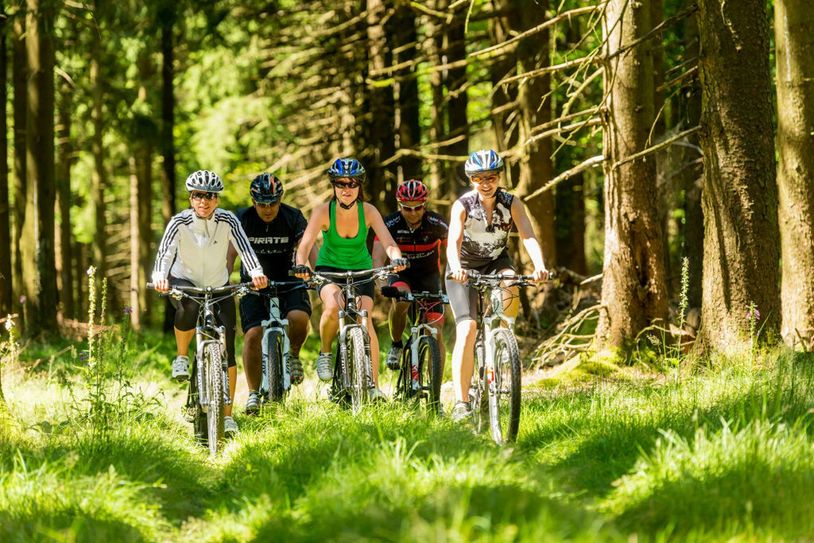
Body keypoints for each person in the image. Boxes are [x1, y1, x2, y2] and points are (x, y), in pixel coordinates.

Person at [152, 170, 268, 436]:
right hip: (185, 282)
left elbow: (245, 249)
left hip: (219, 285)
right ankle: (181, 357)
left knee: (227, 346)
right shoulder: (179, 222)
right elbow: (165, 253)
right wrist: (159, 276)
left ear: (217, 199)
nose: (203, 201)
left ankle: (227, 417)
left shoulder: (228, 220)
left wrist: (257, 271)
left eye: (209, 196)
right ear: (191, 198)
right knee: (189, 308)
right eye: (198, 196)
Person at [445, 150, 549, 422]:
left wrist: (539, 265)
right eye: (479, 178)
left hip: (495, 261)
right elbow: (453, 242)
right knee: (467, 330)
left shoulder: (511, 202)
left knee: (511, 281)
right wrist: (456, 268)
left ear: (499, 176)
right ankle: (461, 402)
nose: (485, 183)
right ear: (471, 180)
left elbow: (528, 236)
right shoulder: (463, 205)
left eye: (490, 177)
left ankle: (502, 340)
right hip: (463, 267)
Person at [293, 158, 406, 400]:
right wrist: (301, 265)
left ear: (359, 186)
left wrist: (396, 258)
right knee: (334, 306)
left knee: (364, 317)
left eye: (352, 184)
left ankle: (373, 386)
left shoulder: (369, 211)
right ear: (333, 185)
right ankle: (325, 352)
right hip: (329, 271)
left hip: (361, 271)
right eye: (341, 183)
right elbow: (304, 247)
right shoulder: (323, 212)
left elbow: (388, 243)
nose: (347, 189)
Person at [227, 173, 318, 415]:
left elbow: (308, 246)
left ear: (280, 200)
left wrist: (316, 275)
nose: (267, 209)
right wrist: (225, 281)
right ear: (253, 201)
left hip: (290, 279)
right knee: (253, 334)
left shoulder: (293, 216)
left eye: (273, 203)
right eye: (262, 204)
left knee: (299, 318)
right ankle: (254, 393)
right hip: (253, 285)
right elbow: (230, 254)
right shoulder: (242, 219)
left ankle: (294, 356)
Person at [372, 179, 449, 371]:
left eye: (418, 208)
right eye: (407, 208)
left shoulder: (437, 223)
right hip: (401, 276)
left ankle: (435, 390)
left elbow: (456, 252)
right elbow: (378, 259)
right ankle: (396, 344)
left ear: (425, 205)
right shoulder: (389, 223)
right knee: (402, 301)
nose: (413, 213)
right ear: (399, 205)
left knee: (436, 331)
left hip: (429, 276)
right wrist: (381, 283)